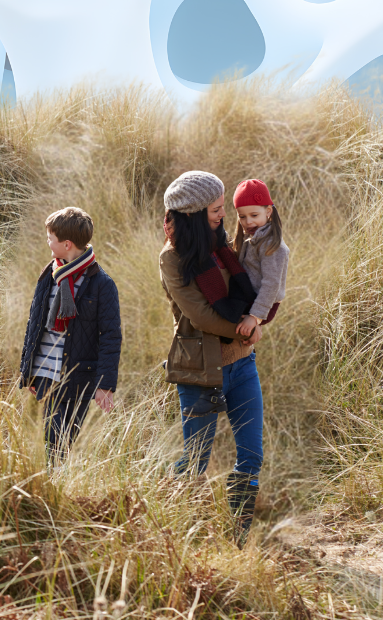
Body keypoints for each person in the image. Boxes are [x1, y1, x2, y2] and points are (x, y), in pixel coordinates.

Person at [159, 171, 264, 547]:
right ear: (194, 214)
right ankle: (170, 528)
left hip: (242, 364)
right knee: (195, 462)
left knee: (251, 455)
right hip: (199, 371)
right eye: (217, 209)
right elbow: (200, 314)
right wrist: (246, 326)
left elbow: (253, 285)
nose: (224, 214)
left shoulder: (223, 246)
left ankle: (237, 537)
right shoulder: (172, 259)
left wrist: (257, 318)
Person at [18, 207, 121, 466]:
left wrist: (105, 385)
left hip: (78, 379)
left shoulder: (101, 284)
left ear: (66, 244)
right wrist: (28, 372)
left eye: (51, 238)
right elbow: (34, 325)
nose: (47, 242)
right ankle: (54, 489)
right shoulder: (48, 275)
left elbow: (110, 335)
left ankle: (56, 490)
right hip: (45, 374)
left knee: (62, 441)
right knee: (52, 441)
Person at [232, 179, 289, 337]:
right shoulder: (251, 238)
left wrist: (255, 317)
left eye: (254, 215)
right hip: (251, 298)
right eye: (242, 217)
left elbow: (272, 284)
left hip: (262, 304)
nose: (248, 221)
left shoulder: (271, 245)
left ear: (268, 212)